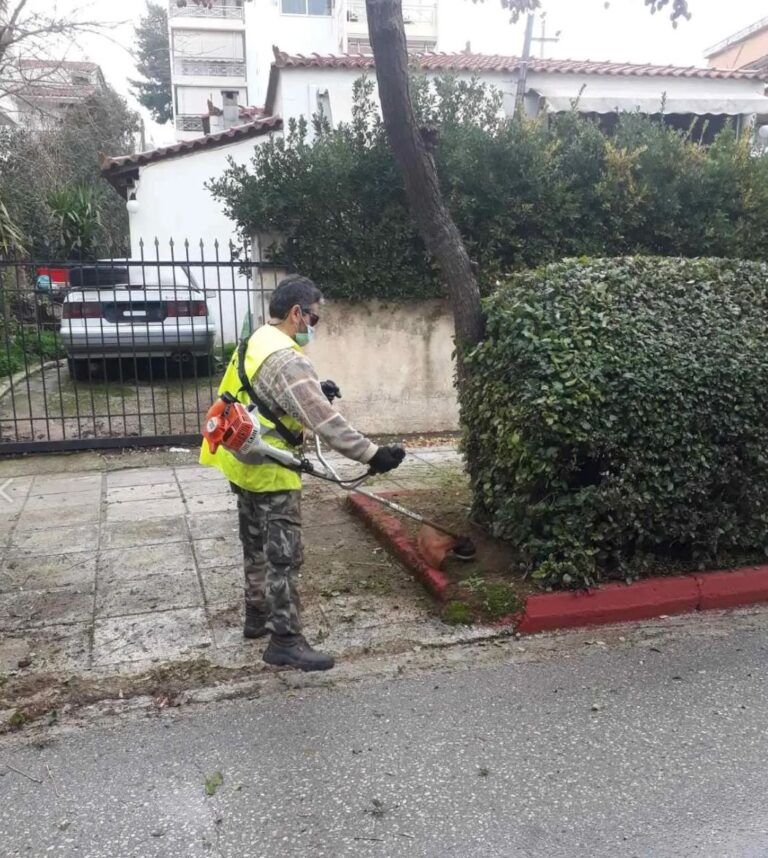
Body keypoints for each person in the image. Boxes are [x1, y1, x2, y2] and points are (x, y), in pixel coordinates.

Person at [200, 274, 405, 671]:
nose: (314, 324)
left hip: (240, 459)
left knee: (254, 545)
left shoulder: (257, 339)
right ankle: (286, 640)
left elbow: (261, 391)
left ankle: (256, 617)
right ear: (297, 313)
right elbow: (325, 422)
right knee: (284, 557)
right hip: (272, 468)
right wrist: (373, 455)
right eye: (315, 317)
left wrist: (313, 388)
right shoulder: (288, 359)